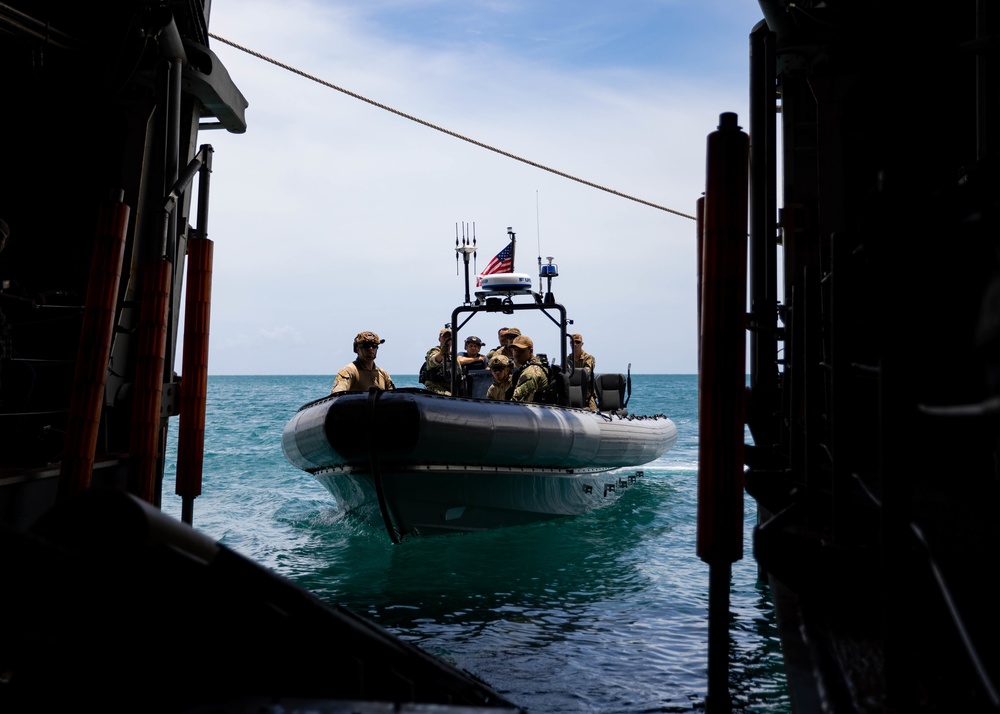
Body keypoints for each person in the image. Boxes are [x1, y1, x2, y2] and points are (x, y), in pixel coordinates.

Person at [331, 331, 395, 394]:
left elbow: (393, 397)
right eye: (366, 346)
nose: (371, 349)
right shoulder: (349, 372)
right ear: (358, 349)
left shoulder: (383, 374)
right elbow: (337, 395)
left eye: (374, 345)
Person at [508, 334, 549, 403]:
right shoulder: (526, 367)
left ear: (530, 351)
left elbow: (517, 401)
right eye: (515, 350)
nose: (517, 353)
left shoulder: (531, 372)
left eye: (521, 350)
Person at [422, 327, 455, 395]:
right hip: (436, 388)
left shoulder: (453, 357)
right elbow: (433, 361)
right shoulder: (434, 351)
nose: (447, 339)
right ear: (439, 339)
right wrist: (441, 353)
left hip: (451, 389)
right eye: (444, 337)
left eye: (449, 337)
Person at [570, 332, 598, 411]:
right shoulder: (568, 359)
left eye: (577, 342)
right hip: (571, 392)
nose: (575, 344)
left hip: (587, 393)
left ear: (582, 344)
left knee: (593, 413)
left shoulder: (588, 358)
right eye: (572, 342)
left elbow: (586, 372)